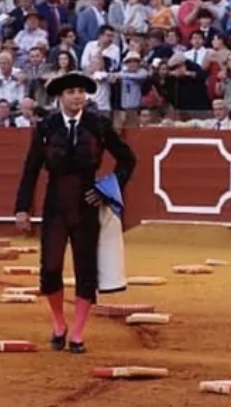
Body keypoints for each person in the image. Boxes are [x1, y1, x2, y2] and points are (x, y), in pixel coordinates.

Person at [14, 72, 137, 354]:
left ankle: (78, 333)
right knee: (51, 267)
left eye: (81, 91)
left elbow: (128, 159)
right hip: (55, 204)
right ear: (60, 96)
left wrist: (108, 189)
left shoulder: (97, 124)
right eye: (71, 92)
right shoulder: (47, 127)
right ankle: (59, 324)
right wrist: (22, 207)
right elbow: (31, 169)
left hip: (86, 205)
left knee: (85, 270)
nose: (77, 96)